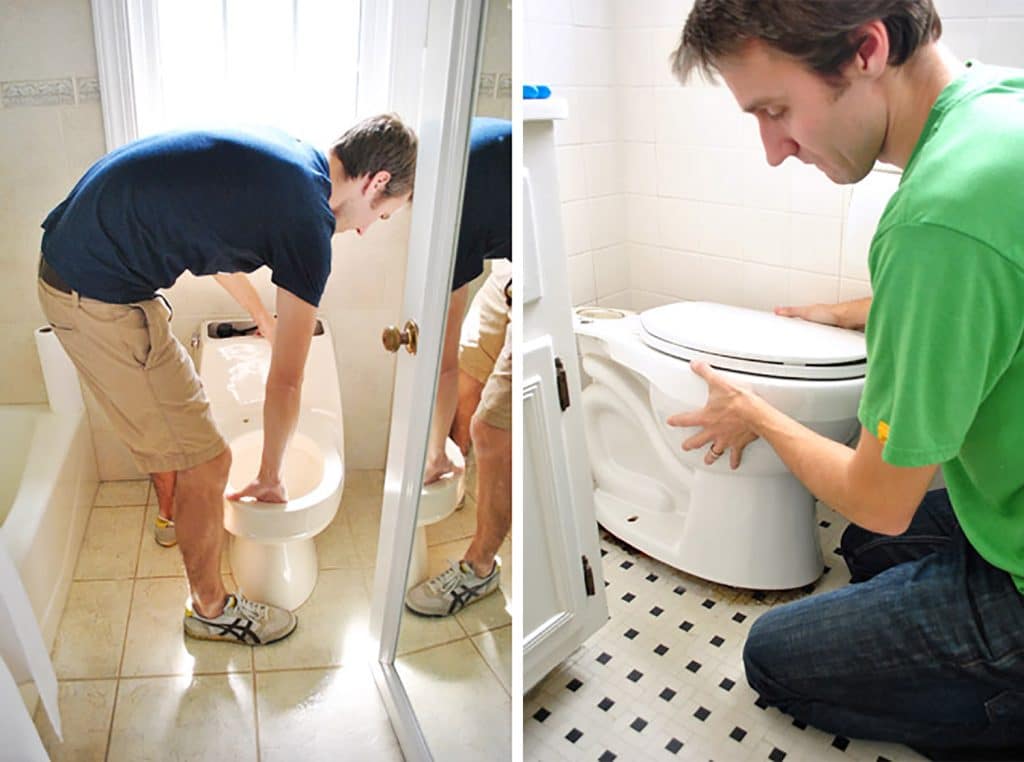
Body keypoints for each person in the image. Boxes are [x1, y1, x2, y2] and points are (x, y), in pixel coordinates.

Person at [668, 0, 1024, 754]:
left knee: (775, 656)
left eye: (775, 109)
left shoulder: (935, 220)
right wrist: (866, 311)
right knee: (861, 550)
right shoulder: (997, 109)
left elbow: (881, 499)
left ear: (866, 50)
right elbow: (998, 277)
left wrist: (754, 411)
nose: (773, 149)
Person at [38, 114, 417, 645]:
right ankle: (211, 609)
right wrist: (269, 475)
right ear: (376, 182)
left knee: (186, 435)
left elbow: (207, 242)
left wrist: (261, 314)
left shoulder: (294, 159)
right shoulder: (310, 225)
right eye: (384, 212)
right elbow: (287, 381)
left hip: (84, 261)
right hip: (96, 295)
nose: (366, 228)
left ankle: (178, 519)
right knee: (208, 459)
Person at [404, 117, 511, 617]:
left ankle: (481, 566)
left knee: (492, 426)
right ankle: (460, 474)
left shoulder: (449, 210)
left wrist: (427, 450)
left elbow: (438, 360)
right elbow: (455, 367)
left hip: (538, 280)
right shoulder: (440, 146)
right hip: (510, 271)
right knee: (471, 372)